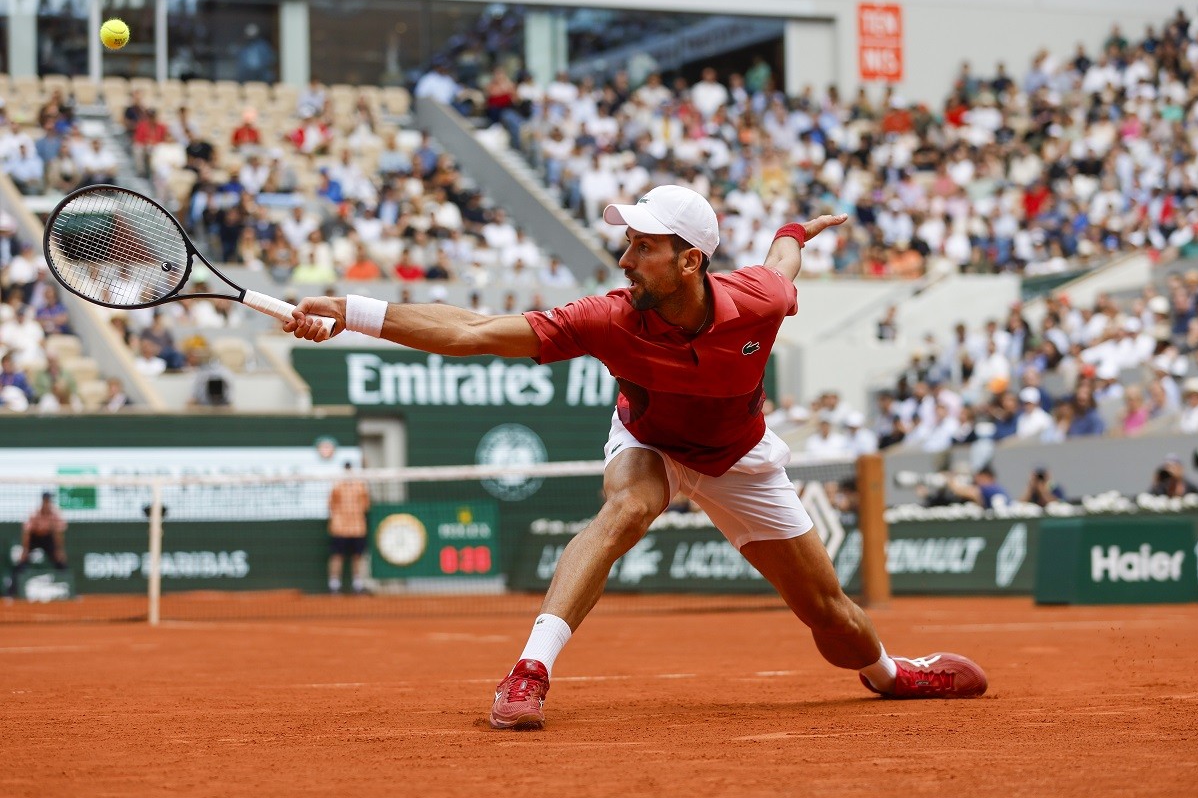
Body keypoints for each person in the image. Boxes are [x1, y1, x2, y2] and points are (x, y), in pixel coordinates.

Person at [284, 185, 988, 730]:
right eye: (627, 244)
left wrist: (795, 231)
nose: (625, 260)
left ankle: (892, 674)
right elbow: (471, 331)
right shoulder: (609, 316)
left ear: (689, 260)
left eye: (642, 247)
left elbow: (781, 265)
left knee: (831, 617)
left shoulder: (760, 302)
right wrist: (350, 311)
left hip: (740, 459)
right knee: (628, 505)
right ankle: (530, 671)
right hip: (647, 442)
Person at [8, 492, 68, 597]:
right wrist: (25, 550)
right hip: (34, 538)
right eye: (46, 501)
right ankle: (11, 592)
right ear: (43, 501)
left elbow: (58, 533)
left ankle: (69, 590)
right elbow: (26, 533)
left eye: (49, 501)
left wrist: (59, 550)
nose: (48, 503)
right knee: (21, 563)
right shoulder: (35, 514)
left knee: (60, 562)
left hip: (48, 539)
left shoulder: (55, 514)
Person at [326, 462, 371, 594]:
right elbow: (330, 504)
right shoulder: (336, 486)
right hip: (339, 528)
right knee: (337, 556)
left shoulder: (360, 486)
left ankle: (358, 584)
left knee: (358, 556)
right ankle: (334, 585)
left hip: (358, 528)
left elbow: (366, 505)